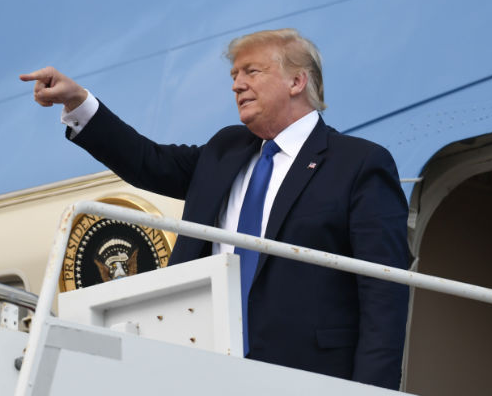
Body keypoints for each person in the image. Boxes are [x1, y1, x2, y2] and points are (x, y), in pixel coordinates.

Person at [20, 28, 410, 390]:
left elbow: (383, 297)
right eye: (234, 76)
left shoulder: (358, 163)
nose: (238, 84)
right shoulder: (226, 149)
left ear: (297, 81)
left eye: (251, 71)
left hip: (309, 375)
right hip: (205, 370)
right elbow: (148, 161)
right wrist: (79, 103)